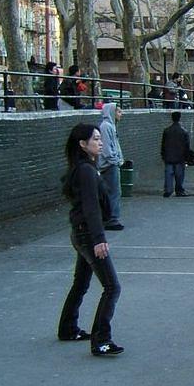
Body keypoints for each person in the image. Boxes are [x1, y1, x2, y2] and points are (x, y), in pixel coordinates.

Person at [57, 123, 124, 357]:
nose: (100, 142)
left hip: (81, 232)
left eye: (99, 138)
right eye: (95, 139)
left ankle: (67, 328)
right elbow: (91, 206)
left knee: (81, 283)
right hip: (87, 234)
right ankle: (101, 340)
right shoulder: (85, 171)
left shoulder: (86, 168)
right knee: (112, 287)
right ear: (82, 144)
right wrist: (98, 239)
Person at [98, 103, 125, 230]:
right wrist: (115, 160)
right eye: (119, 112)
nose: (121, 114)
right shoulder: (106, 127)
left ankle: (110, 217)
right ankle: (112, 218)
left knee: (112, 191)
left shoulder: (109, 126)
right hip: (110, 164)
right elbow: (107, 148)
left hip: (111, 163)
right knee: (114, 191)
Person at [161, 111, 191, 197]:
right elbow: (186, 146)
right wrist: (187, 157)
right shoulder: (184, 131)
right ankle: (179, 190)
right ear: (180, 118)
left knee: (168, 174)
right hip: (180, 157)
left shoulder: (166, 131)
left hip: (168, 156)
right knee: (179, 175)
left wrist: (163, 155)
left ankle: (168, 190)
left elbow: (163, 144)